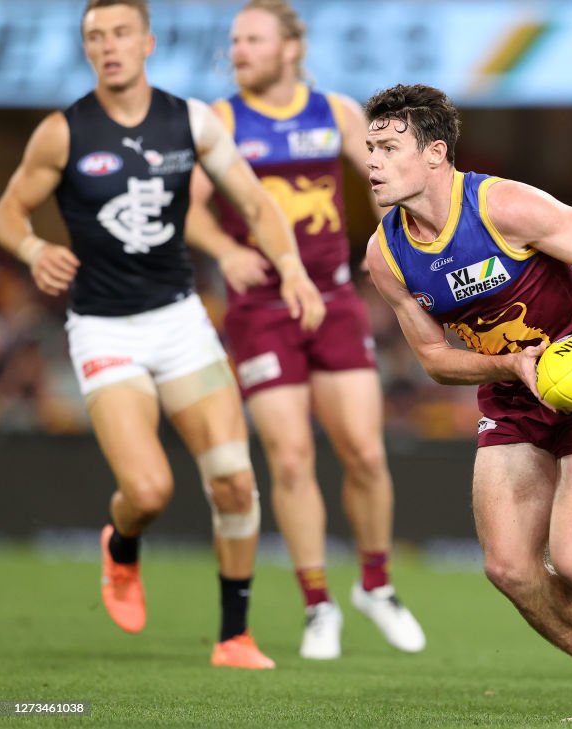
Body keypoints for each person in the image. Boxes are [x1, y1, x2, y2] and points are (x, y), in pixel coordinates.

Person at [0, 0, 325, 669]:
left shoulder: (191, 120)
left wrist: (291, 265)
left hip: (179, 321)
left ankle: (234, 635)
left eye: (120, 33)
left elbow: (256, 203)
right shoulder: (63, 133)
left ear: (147, 42)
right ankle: (121, 545)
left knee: (235, 482)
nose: (108, 45)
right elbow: (9, 209)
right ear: (86, 49)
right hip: (104, 327)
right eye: (95, 36)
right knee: (148, 491)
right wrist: (33, 251)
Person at [363, 83, 572, 721]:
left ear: (434, 153)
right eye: (369, 147)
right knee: (508, 567)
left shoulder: (502, 205)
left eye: (388, 148)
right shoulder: (385, 253)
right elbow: (434, 358)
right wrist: (509, 364)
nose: (371, 162)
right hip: (511, 398)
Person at [185, 0, 424, 659]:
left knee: (366, 451)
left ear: (292, 46)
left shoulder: (338, 112)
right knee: (290, 457)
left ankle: (375, 584)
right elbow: (192, 212)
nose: (238, 50)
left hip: (334, 297)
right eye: (235, 40)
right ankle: (319, 602)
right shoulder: (223, 120)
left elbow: (384, 184)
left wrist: (395, 234)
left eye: (252, 38)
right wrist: (225, 250)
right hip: (260, 309)